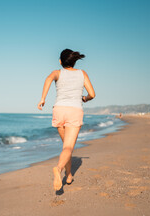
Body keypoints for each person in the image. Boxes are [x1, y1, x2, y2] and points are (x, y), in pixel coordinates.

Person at [37, 49, 95, 192]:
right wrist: (85, 99)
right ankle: (58, 169)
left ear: (60, 61)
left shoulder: (57, 72)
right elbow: (92, 94)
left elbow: (48, 79)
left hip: (59, 110)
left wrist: (43, 98)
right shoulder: (82, 73)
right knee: (68, 148)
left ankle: (68, 176)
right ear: (74, 61)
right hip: (74, 111)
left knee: (66, 147)